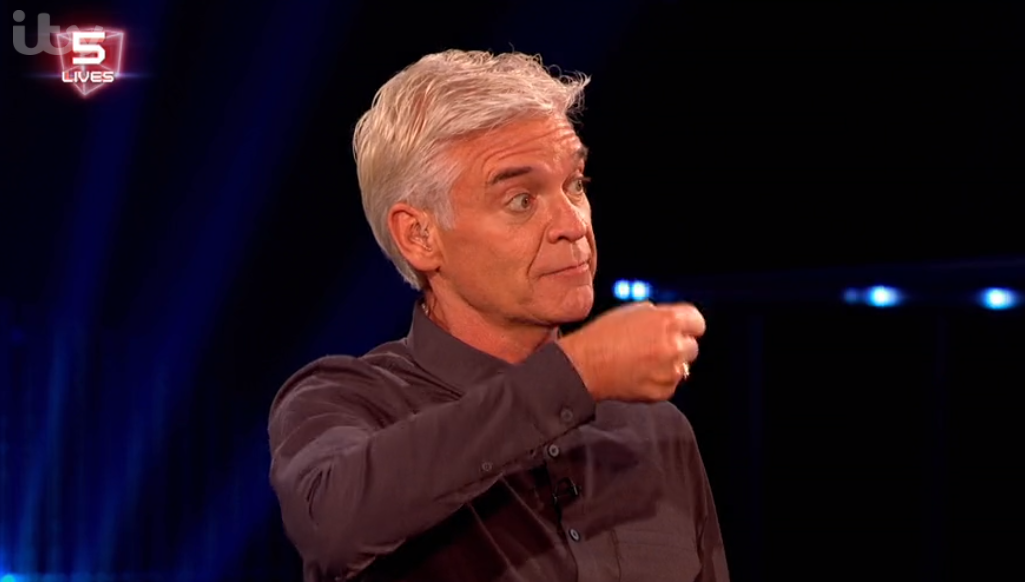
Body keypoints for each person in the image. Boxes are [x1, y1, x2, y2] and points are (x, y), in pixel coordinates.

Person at [268, 49, 730, 582]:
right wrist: (577, 374)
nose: (573, 225)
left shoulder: (657, 431)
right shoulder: (346, 402)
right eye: (521, 200)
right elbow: (334, 525)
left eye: (575, 185)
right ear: (419, 236)